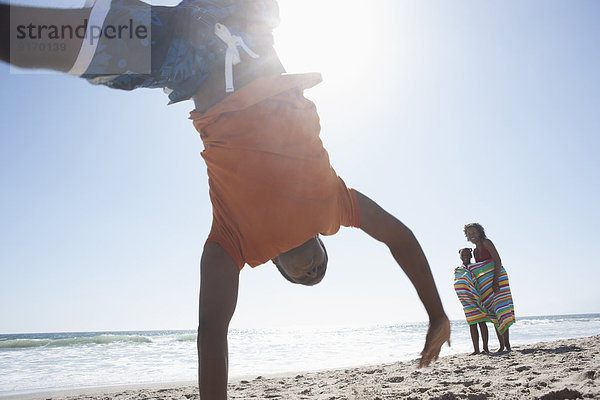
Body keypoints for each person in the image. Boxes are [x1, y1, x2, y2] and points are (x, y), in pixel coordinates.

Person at [1, 1, 452, 398]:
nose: (313, 271)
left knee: (40, 38)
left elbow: (212, 334)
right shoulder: (335, 205)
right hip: (246, 21)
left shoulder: (234, 244)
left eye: (304, 278)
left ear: (276, 266)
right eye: (322, 267)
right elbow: (400, 237)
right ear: (322, 240)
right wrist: (435, 314)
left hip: (181, 56)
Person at [464, 223, 515, 352]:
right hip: (488, 283)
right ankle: (502, 345)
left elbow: (497, 261)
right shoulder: (475, 251)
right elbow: (480, 270)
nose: (472, 235)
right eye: (469, 234)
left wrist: (495, 281)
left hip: (498, 279)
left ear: (480, 232)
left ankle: (507, 345)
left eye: (474, 232)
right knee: (493, 311)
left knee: (500, 310)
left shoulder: (487, 242)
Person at [454, 247, 489, 355]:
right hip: (467, 300)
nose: (465, 257)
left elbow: (482, 280)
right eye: (462, 255)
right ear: (460, 257)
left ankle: (485, 348)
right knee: (472, 324)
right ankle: (476, 349)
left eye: (467, 254)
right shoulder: (458, 270)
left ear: (471, 256)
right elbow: (458, 283)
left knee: (482, 323)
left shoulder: (476, 267)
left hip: (478, 298)